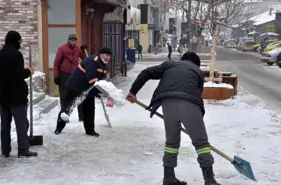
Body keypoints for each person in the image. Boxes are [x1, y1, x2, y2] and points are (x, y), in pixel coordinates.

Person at [126, 52, 221, 185]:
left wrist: (133, 92)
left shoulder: (169, 65)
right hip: (189, 103)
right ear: (196, 64)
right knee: (201, 143)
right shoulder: (197, 71)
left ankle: (169, 177)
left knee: (171, 142)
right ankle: (209, 180)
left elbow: (146, 72)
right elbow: (197, 94)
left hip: (168, 102)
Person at [0, 30, 38, 158]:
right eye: (19, 40)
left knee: (5, 124)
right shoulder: (16, 55)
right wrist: (29, 71)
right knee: (22, 124)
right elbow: (18, 75)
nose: (20, 43)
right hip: (17, 97)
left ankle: (5, 149)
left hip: (3, 96)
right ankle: (23, 150)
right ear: (15, 41)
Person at [54, 47, 112, 137]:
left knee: (89, 108)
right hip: (75, 86)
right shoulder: (92, 61)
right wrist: (98, 89)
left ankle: (90, 130)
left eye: (109, 56)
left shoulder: (103, 63)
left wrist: (100, 89)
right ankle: (59, 128)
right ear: (101, 54)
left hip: (88, 88)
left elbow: (100, 77)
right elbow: (92, 78)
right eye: (106, 55)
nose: (108, 57)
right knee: (68, 107)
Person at [53, 33, 87, 122]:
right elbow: (56, 63)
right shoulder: (62, 49)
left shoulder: (77, 49)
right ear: (68, 40)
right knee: (64, 95)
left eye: (74, 40)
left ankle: (82, 116)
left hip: (74, 74)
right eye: (71, 40)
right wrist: (56, 76)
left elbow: (85, 59)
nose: (73, 42)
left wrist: (84, 50)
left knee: (78, 94)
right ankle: (64, 116)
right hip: (63, 74)